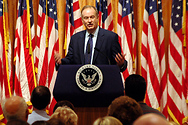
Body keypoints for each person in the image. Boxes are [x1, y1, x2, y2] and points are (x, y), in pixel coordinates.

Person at [54, 5, 127, 72]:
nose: (89, 21)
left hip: (104, 81)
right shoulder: (75, 39)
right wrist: (61, 62)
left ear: (97, 18)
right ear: (82, 20)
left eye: (92, 17)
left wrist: (121, 64)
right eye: (86, 18)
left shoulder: (110, 37)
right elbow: (70, 60)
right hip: (81, 81)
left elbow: (119, 62)